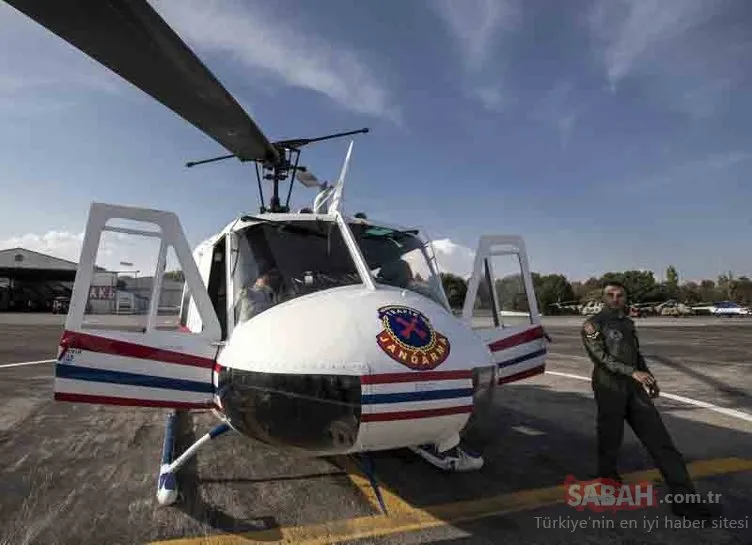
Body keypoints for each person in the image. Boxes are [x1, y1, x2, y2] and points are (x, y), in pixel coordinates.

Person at [581, 281, 718, 519]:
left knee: (661, 441)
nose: (615, 298)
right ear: (603, 299)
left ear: (625, 298)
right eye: (610, 295)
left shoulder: (627, 323)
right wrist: (632, 372)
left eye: (620, 295)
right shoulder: (593, 325)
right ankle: (609, 482)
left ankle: (684, 500)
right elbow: (601, 358)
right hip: (609, 388)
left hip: (635, 389)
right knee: (610, 441)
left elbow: (636, 354)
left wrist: (648, 377)